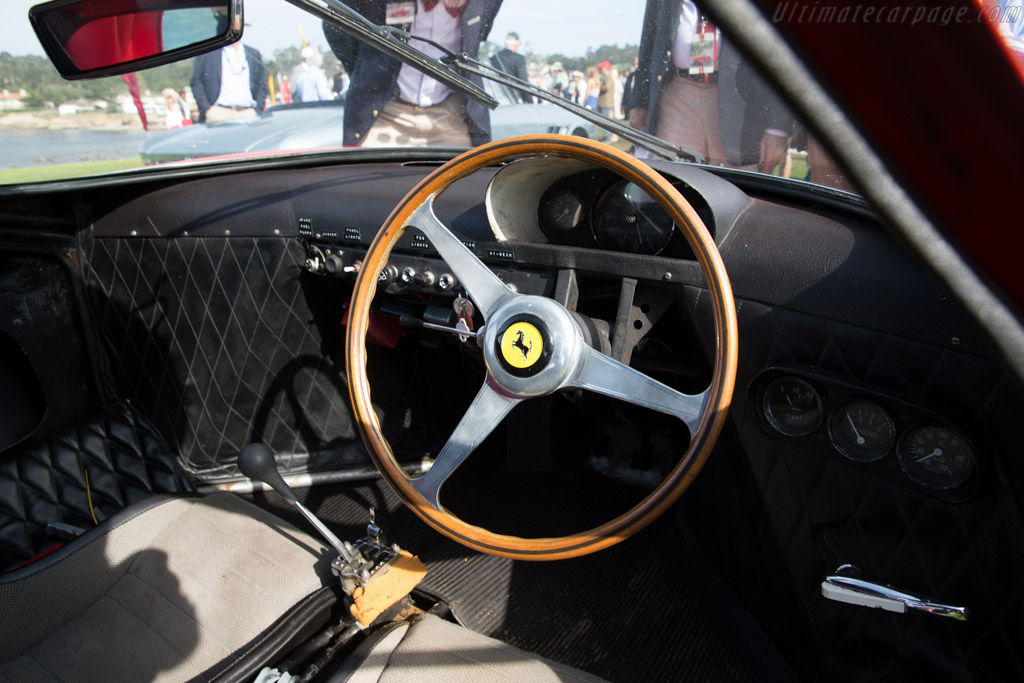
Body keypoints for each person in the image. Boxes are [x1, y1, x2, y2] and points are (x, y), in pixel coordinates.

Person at [630, 0, 790, 170]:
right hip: (678, 96)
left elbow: (783, 53)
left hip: (740, 100)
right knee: (672, 179)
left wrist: (777, 129)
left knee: (739, 185)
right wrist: (640, 101)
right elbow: (649, 38)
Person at [324, 0, 503, 148]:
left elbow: (477, 37)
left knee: (463, 187)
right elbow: (336, 23)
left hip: (452, 119)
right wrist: (368, 70)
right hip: (383, 117)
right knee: (365, 188)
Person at [190, 40, 268, 123]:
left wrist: (257, 109)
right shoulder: (208, 52)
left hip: (248, 113)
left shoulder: (253, 53)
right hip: (218, 114)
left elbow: (261, 83)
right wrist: (206, 109)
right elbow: (196, 81)